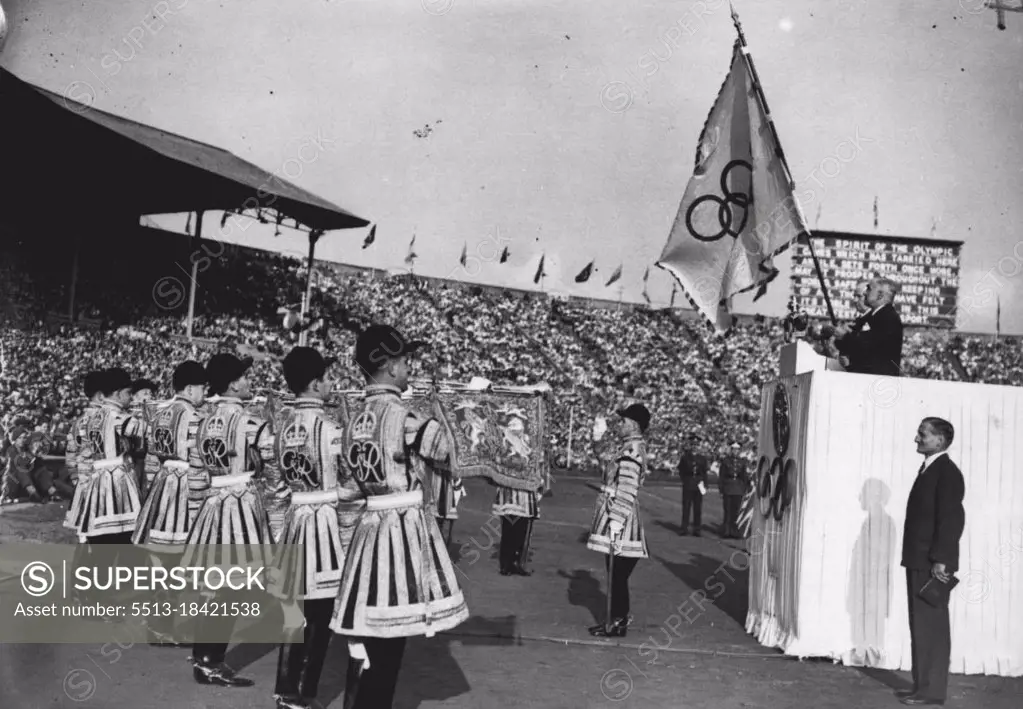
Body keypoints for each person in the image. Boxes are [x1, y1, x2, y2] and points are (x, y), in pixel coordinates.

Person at [330, 324, 469, 709]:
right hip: (399, 534)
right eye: (406, 361)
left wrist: (348, 548)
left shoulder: (353, 423)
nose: (410, 368)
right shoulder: (404, 418)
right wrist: (448, 408)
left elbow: (348, 494)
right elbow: (449, 451)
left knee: (367, 636)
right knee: (390, 641)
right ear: (390, 368)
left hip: (367, 533)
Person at [184, 353, 280, 688]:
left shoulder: (203, 422)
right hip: (241, 504)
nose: (249, 382)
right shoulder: (250, 422)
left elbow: (196, 475)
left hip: (212, 505)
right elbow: (275, 465)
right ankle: (211, 661)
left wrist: (198, 516)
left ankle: (203, 657)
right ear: (234, 382)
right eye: (245, 377)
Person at [270, 346, 358, 709]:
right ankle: (302, 693)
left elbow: (275, 490)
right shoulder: (333, 431)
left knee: (294, 612)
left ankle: (284, 688)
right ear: (316, 383)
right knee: (319, 616)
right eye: (328, 378)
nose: (332, 384)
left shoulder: (281, 428)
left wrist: (279, 533)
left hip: (294, 523)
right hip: (323, 526)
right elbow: (352, 487)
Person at [897, 417, 965, 707]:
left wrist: (942, 561)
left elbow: (952, 520)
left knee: (931, 628)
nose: (916, 438)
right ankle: (922, 686)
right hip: (919, 559)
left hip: (932, 563)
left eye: (922, 434)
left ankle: (931, 691)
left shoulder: (946, 473)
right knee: (920, 626)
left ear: (939, 440)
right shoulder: (930, 469)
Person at [587, 402, 650, 638]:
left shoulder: (632, 450)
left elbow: (627, 487)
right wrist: (597, 438)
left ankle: (617, 622)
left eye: (623, 421)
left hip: (621, 516)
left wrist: (616, 519)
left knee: (618, 574)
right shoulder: (626, 447)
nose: (620, 425)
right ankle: (615, 620)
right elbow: (604, 461)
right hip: (617, 513)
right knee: (615, 574)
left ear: (633, 425)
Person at [78, 367, 148, 544]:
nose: (131, 397)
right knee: (126, 534)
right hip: (118, 479)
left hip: (97, 479)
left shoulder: (91, 417)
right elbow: (144, 431)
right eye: (128, 393)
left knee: (101, 538)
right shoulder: (119, 417)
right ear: (117, 394)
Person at [834, 277, 904, 376]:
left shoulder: (889, 318)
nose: (865, 293)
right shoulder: (871, 317)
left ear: (880, 295)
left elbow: (869, 346)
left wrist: (846, 336)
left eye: (869, 289)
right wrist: (843, 336)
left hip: (878, 382)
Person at [719, 444, 747, 539]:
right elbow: (721, 476)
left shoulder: (741, 462)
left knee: (736, 511)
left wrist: (744, 488)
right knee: (727, 511)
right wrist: (721, 489)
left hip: (738, 489)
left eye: (737, 450)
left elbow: (744, 476)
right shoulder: (726, 461)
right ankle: (727, 531)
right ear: (731, 450)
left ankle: (734, 531)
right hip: (728, 487)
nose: (735, 451)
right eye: (734, 450)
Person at [677, 447, 707, 536]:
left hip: (698, 484)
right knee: (686, 507)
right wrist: (685, 480)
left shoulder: (702, 458)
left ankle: (697, 529)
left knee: (697, 508)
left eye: (697, 445)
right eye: (693, 445)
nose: (695, 447)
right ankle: (684, 528)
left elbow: (704, 472)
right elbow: (681, 470)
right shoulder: (685, 457)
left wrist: (705, 484)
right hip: (688, 483)